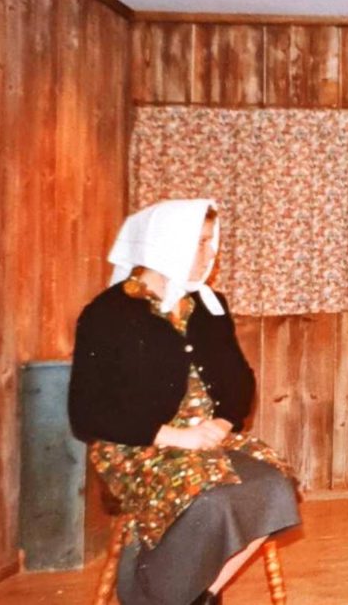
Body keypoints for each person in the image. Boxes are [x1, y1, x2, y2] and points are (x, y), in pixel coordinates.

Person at [68, 199, 301, 605]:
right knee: (213, 500)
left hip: (207, 440)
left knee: (276, 485)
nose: (211, 253)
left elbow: (240, 381)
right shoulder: (108, 314)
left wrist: (223, 423)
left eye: (212, 241)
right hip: (137, 445)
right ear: (166, 243)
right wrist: (176, 436)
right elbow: (86, 413)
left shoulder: (208, 306)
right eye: (201, 243)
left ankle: (203, 594)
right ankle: (155, 590)